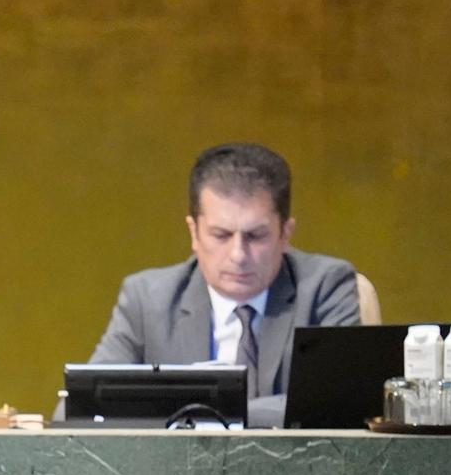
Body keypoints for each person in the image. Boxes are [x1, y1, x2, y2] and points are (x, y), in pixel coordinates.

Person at [84, 142, 360, 427]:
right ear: (194, 232)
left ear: (285, 234)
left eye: (255, 236)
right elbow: (84, 408)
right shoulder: (147, 299)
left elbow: (342, 401)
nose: (238, 255)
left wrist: (201, 410)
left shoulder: (324, 287)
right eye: (221, 235)